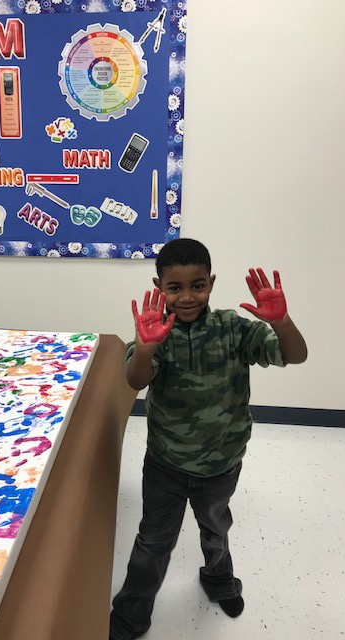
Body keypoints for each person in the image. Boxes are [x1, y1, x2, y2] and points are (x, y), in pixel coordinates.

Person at [110, 238, 307, 640]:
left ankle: (218, 580)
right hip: (165, 464)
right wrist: (146, 349)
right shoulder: (155, 332)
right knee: (152, 543)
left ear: (211, 283)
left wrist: (281, 322)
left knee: (215, 530)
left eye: (197, 285)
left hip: (221, 465)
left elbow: (295, 355)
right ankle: (130, 615)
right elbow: (134, 380)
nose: (186, 297)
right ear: (159, 285)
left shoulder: (233, 328)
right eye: (175, 287)